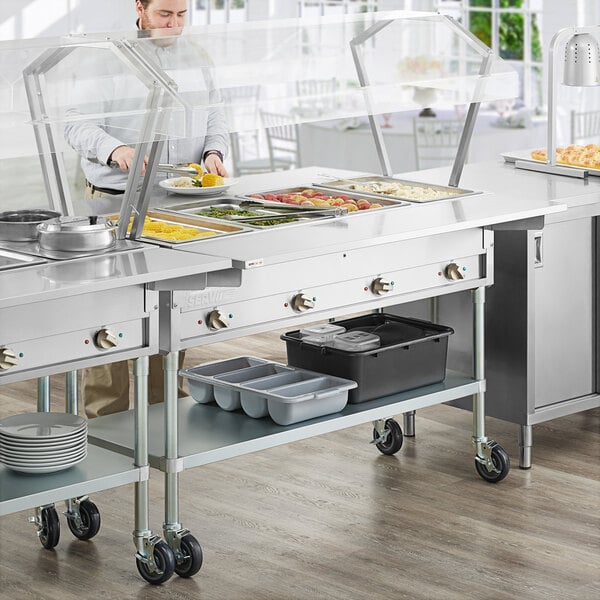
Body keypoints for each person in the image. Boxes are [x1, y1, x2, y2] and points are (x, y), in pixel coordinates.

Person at [65, 0, 229, 417]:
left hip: (179, 201)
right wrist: (114, 148)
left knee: (169, 306)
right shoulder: (106, 58)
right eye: (164, 15)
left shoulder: (198, 56)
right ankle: (105, 417)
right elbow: (74, 123)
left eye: (181, 15)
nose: (174, 25)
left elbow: (216, 113)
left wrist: (214, 150)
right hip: (115, 202)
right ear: (140, 7)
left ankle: (164, 412)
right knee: (114, 310)